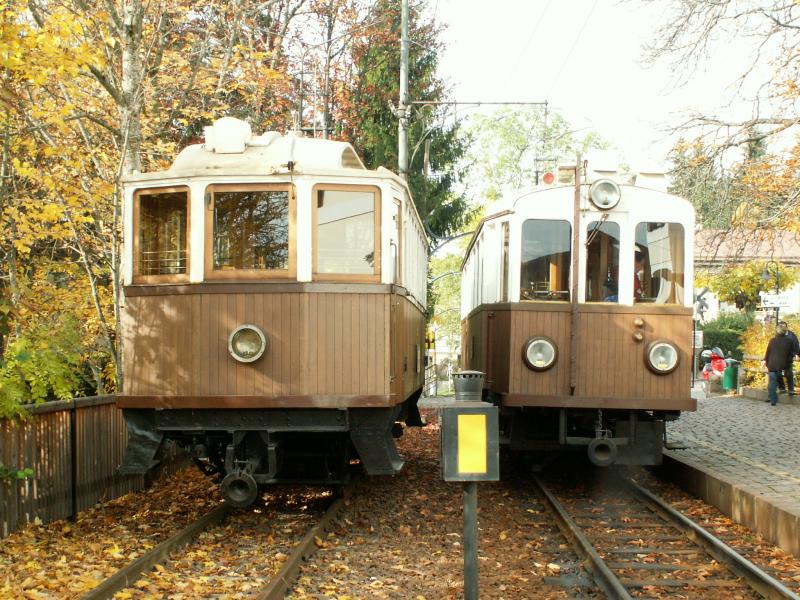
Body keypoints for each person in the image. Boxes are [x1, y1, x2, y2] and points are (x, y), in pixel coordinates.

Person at [763, 322, 795, 406]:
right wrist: (790, 359)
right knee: (786, 373)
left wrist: (766, 361)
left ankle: (773, 400)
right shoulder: (789, 341)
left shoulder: (772, 340)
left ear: (777, 331)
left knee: (772, 381)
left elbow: (768, 352)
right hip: (783, 364)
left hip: (772, 364)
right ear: (785, 331)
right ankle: (788, 389)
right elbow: (792, 352)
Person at [777, 320, 800, 396]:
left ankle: (791, 390)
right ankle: (782, 388)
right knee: (778, 373)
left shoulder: (792, 335)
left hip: (788, 358)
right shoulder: (777, 335)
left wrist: (796, 354)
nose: (782, 328)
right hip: (779, 358)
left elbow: (796, 346)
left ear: (786, 327)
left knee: (788, 373)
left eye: (783, 326)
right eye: (780, 326)